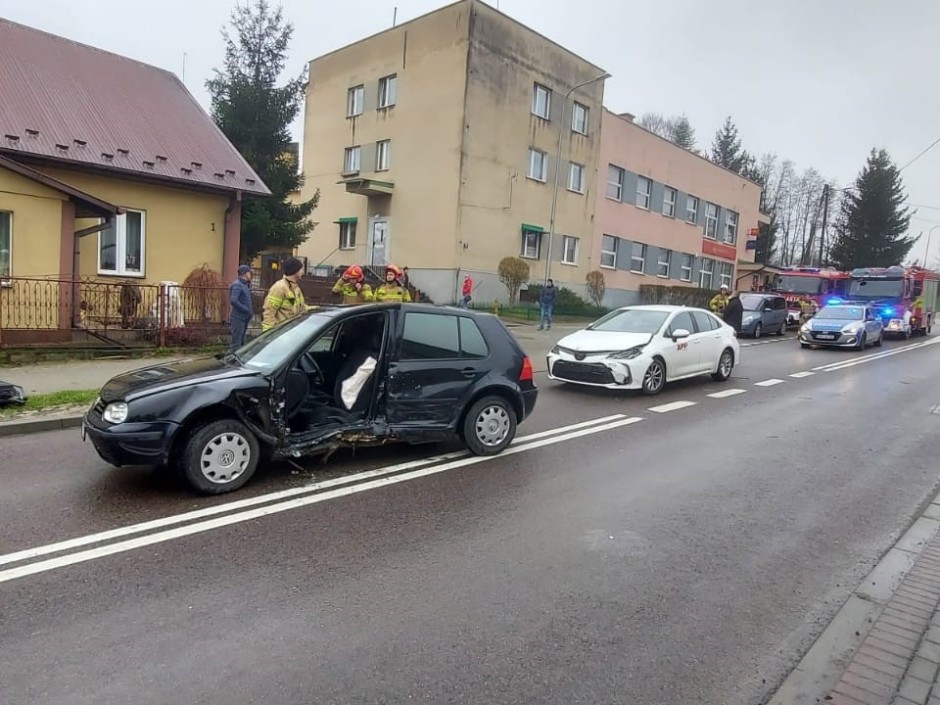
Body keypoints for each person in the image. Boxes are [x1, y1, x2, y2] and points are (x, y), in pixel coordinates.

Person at [262, 257, 306, 332]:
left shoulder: (296, 289)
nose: (303, 272)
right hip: (280, 334)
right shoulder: (279, 288)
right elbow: (269, 312)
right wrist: (268, 336)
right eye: (301, 269)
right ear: (295, 271)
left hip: (290, 332)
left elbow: (302, 308)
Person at [229, 264, 253, 348]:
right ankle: (232, 359)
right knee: (236, 342)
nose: (250, 275)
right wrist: (245, 309)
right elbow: (234, 300)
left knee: (241, 341)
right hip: (238, 317)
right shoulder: (238, 285)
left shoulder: (245, 285)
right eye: (249, 273)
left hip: (244, 317)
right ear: (245, 274)